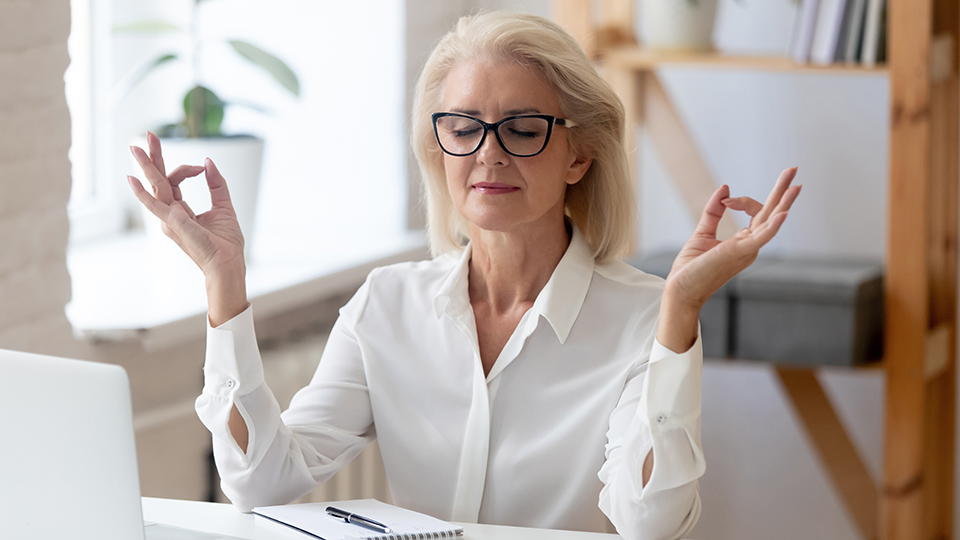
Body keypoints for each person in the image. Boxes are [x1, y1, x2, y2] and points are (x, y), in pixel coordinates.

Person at [127, 11, 800, 540]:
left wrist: (680, 312)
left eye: (523, 128)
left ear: (578, 155)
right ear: (438, 145)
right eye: (465, 128)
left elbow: (648, 522)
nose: (489, 155)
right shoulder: (387, 306)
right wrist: (224, 281)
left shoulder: (643, 319)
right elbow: (262, 481)